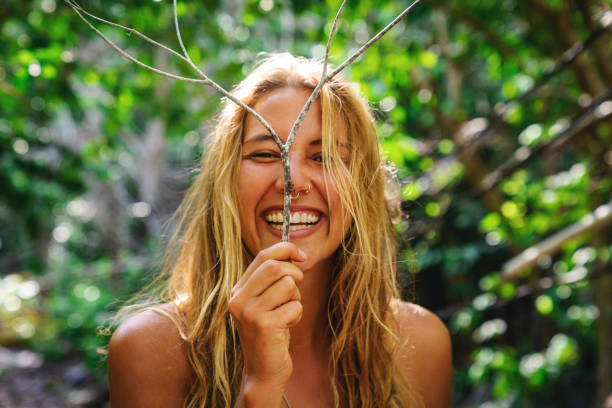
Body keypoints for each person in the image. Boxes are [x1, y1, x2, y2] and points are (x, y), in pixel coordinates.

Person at [107, 53, 452, 408]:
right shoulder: (150, 351)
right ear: (224, 180)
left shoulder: (421, 345)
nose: (293, 182)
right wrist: (260, 386)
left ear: (361, 186)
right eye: (265, 155)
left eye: (323, 158)